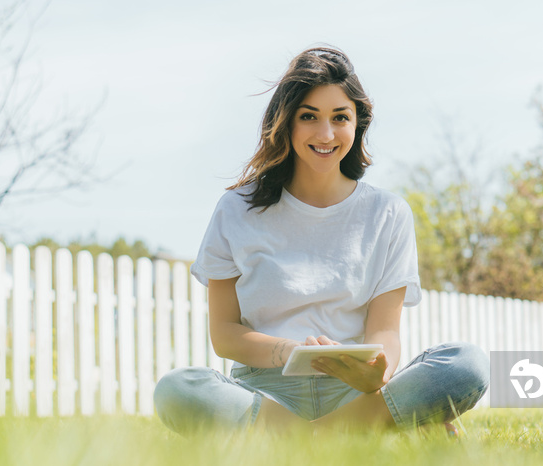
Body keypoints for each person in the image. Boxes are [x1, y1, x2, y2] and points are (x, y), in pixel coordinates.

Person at [153, 46, 489, 436]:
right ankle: (356, 434)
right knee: (177, 390)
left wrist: (376, 372)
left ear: (357, 124)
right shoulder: (236, 209)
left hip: (355, 391)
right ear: (286, 123)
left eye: (340, 118)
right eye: (309, 116)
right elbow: (225, 334)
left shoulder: (388, 213)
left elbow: (386, 332)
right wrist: (293, 354)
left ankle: (304, 441)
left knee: (468, 363)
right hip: (265, 391)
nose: (326, 134)